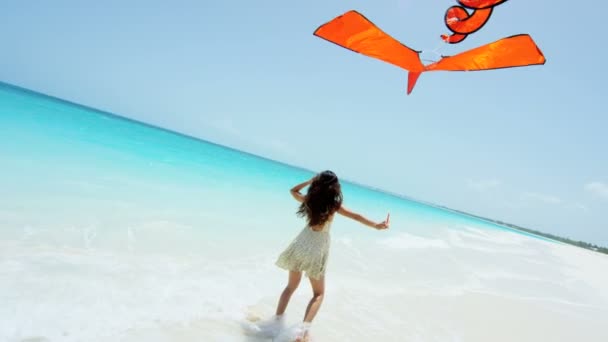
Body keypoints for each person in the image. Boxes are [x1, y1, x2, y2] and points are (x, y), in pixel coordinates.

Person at [248, 170, 389, 341]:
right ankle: (301, 334)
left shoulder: (310, 200)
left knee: (290, 287)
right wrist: (376, 225)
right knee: (318, 294)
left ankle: (275, 324)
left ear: (318, 183)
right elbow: (356, 216)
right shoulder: (333, 206)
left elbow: (293, 191)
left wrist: (309, 181)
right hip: (317, 249)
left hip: (301, 243)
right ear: (334, 187)